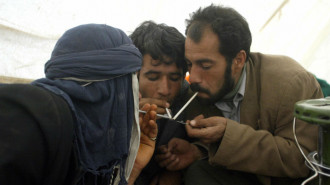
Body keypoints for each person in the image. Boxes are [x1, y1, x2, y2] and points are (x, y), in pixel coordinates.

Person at [155, 4, 324, 185]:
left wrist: (228, 134)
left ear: (238, 60)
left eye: (205, 66)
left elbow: (302, 160)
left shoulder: (290, 84)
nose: (194, 77)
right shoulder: (195, 94)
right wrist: (198, 151)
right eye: (189, 64)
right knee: (198, 172)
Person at [0, 23, 158, 185]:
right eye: (131, 83)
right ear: (108, 84)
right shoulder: (38, 113)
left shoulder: (81, 142)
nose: (137, 96)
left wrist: (132, 170)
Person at [130, 20, 191, 185]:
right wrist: (130, 122)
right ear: (134, 74)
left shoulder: (190, 98)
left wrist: (178, 171)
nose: (165, 89)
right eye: (153, 77)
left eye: (174, 78)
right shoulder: (115, 100)